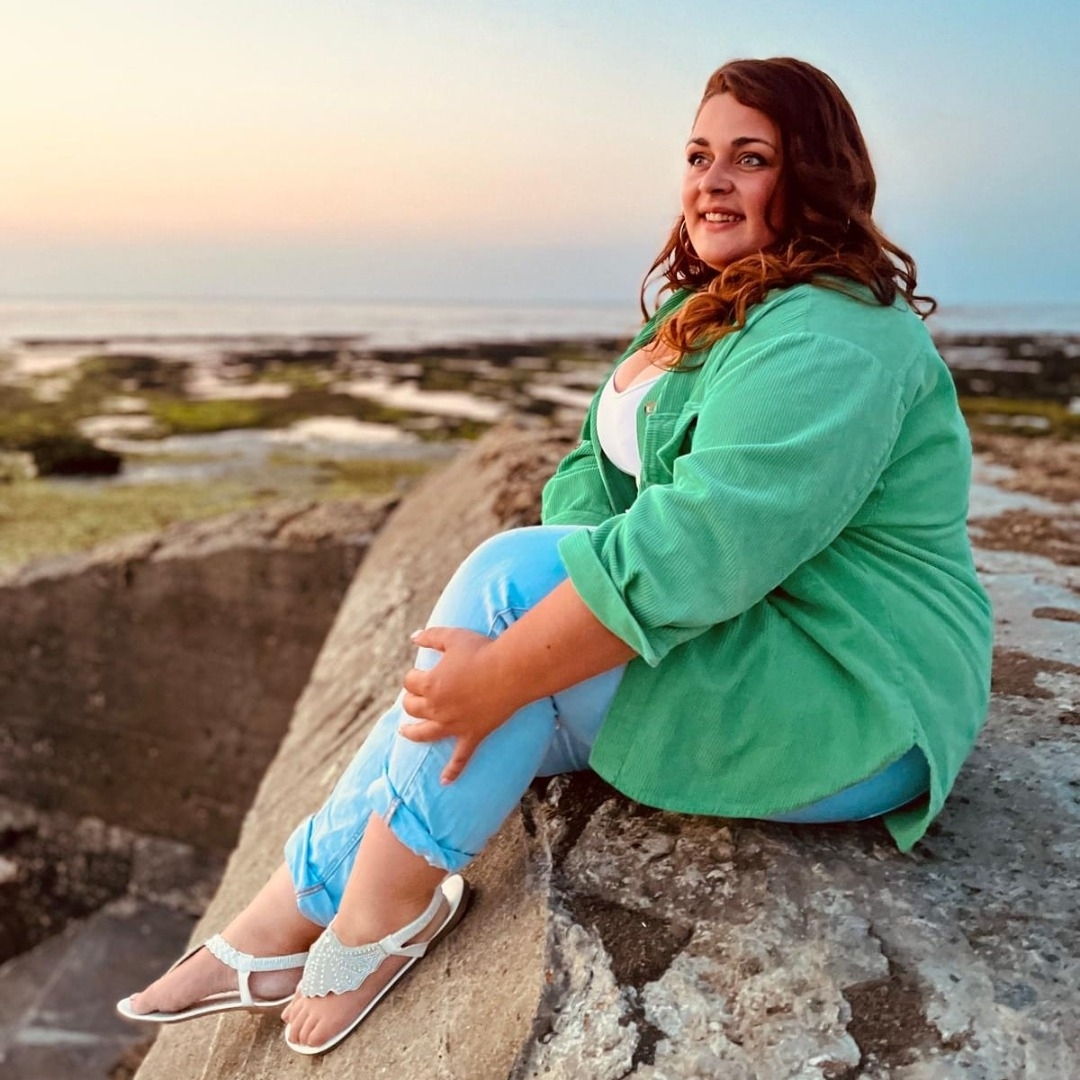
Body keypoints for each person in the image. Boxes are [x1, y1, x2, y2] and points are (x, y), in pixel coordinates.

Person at [117, 57, 993, 1056]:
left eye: (750, 159)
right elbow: (592, 476)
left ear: (817, 177)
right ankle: (289, 912)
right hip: (748, 639)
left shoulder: (832, 332)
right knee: (516, 612)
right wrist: (519, 641)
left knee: (506, 604)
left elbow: (702, 548)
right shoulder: (713, 306)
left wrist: (503, 663)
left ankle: (381, 912)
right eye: (698, 156)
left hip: (855, 689)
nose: (711, 182)